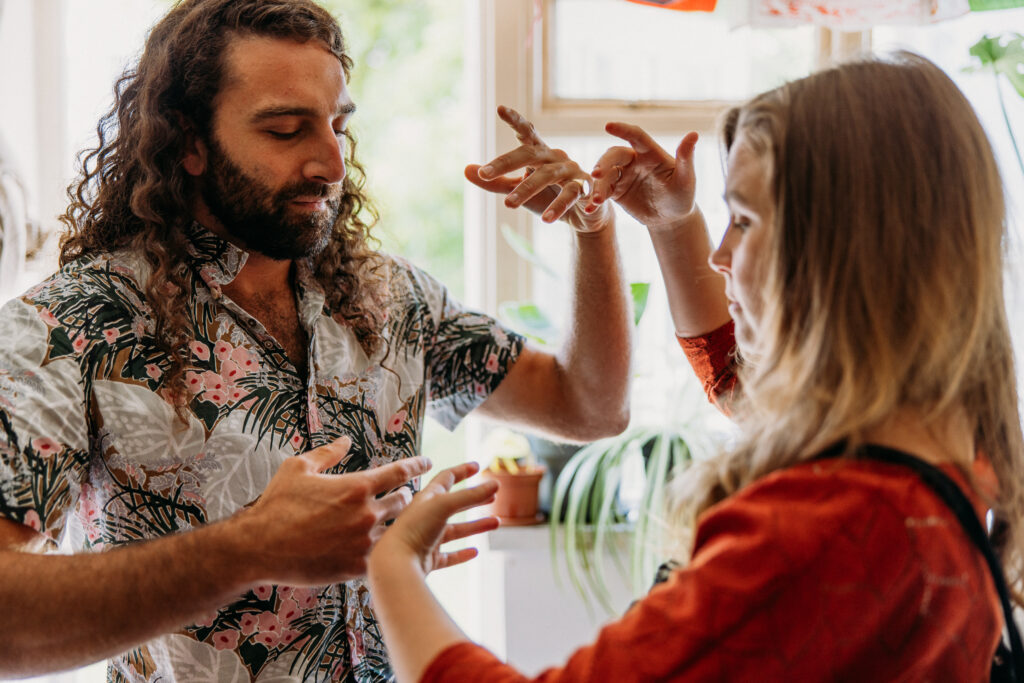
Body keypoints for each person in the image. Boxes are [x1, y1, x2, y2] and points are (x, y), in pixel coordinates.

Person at [0, 1, 633, 680]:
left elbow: (588, 404)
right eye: (285, 129)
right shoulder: (74, 325)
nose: (332, 161)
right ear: (187, 141)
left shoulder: (392, 298)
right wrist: (246, 549)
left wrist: (592, 229)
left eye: (338, 125)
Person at [366, 52, 1024, 681]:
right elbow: (743, 385)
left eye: (742, 218)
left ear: (834, 252)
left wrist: (391, 562)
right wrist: (673, 225)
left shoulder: (823, 527)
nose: (721, 253)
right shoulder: (953, 461)